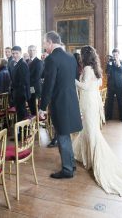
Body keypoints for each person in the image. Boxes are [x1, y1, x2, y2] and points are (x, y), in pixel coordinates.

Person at [73, 45, 122, 196]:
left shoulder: (87, 70)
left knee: (91, 131)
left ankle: (94, 159)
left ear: (84, 56)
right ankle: (86, 156)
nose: (79, 57)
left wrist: (73, 81)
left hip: (88, 102)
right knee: (88, 129)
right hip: (92, 100)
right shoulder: (95, 68)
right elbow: (95, 85)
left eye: (80, 55)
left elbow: (84, 86)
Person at [39, 31, 82, 179]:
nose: (44, 46)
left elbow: (48, 85)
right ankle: (71, 164)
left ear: (50, 42)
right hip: (71, 100)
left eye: (45, 43)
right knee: (66, 134)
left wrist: (42, 107)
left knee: (62, 135)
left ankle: (67, 169)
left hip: (60, 103)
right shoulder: (71, 57)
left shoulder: (52, 59)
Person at [105, 48, 122, 122]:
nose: (115, 56)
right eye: (113, 55)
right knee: (109, 102)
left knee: (121, 102)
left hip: (120, 85)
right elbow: (107, 72)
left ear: (118, 54)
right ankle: (108, 116)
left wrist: (119, 65)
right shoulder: (109, 63)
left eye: (116, 54)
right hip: (111, 85)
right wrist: (110, 65)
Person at [11, 46, 30, 123]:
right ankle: (22, 130)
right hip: (17, 92)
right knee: (20, 112)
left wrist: (24, 95)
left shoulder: (22, 64)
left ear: (20, 53)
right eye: (13, 53)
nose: (14, 55)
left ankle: (24, 131)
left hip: (21, 93)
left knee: (22, 113)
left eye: (16, 53)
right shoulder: (15, 63)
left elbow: (25, 81)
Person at [27, 45, 43, 115]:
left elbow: (37, 76)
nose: (31, 52)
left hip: (34, 87)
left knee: (34, 107)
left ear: (36, 51)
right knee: (30, 105)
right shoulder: (27, 61)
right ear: (28, 52)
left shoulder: (39, 62)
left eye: (33, 50)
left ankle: (36, 123)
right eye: (30, 50)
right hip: (28, 87)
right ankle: (33, 123)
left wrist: (28, 84)